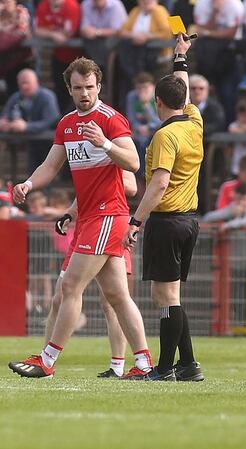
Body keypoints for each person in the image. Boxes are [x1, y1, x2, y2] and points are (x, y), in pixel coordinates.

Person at [8, 57, 154, 380]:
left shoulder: (111, 119)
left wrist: (104, 143)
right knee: (116, 295)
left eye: (90, 87)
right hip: (89, 217)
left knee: (70, 286)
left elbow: (132, 163)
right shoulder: (66, 124)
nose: (84, 93)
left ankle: (47, 360)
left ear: (99, 86)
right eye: (78, 88)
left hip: (107, 216)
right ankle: (144, 363)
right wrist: (29, 184)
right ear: (70, 90)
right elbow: (51, 165)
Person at [125, 34, 204, 382]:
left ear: (157, 102)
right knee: (173, 295)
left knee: (164, 296)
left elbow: (158, 183)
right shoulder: (195, 122)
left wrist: (136, 221)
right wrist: (180, 56)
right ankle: (188, 365)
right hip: (189, 220)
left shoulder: (163, 136)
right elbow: (182, 88)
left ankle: (165, 367)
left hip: (166, 220)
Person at [48, 170, 138, 378]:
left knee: (112, 301)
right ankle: (45, 363)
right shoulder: (81, 153)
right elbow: (84, 192)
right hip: (84, 229)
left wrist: (101, 181)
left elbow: (132, 186)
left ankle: (119, 365)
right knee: (59, 298)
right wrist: (70, 213)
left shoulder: (111, 149)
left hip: (108, 224)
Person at [0, 69, 60, 174]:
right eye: (21, 84)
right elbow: (5, 114)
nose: (24, 87)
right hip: (28, 140)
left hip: (49, 142)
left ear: (36, 82)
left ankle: (46, 189)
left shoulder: (47, 96)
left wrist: (26, 126)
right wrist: (4, 122)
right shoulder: (17, 97)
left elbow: (51, 120)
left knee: (44, 168)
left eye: (27, 83)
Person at [115, 0, 171, 107]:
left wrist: (147, 36)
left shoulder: (159, 11)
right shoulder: (136, 11)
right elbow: (122, 31)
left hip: (157, 56)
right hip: (134, 56)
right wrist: (134, 36)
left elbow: (167, 33)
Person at [34, 0, 82, 113]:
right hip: (58, 55)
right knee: (60, 88)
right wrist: (53, 34)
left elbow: (68, 33)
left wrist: (49, 30)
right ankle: (63, 119)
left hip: (78, 56)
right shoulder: (44, 5)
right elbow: (38, 30)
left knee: (78, 89)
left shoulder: (71, 5)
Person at [125, 72, 160, 178]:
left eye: (145, 87)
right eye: (139, 88)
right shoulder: (132, 96)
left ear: (153, 87)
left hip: (155, 132)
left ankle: (147, 174)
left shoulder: (158, 98)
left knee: (146, 143)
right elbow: (131, 118)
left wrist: (146, 105)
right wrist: (139, 128)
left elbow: (160, 121)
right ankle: (138, 175)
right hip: (139, 132)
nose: (142, 91)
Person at [0, 0, 32, 103]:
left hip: (20, 61)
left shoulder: (20, 12)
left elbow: (19, 35)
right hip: (4, 62)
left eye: (5, 2)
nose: (3, 6)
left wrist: (3, 35)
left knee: (18, 94)